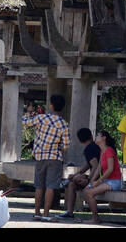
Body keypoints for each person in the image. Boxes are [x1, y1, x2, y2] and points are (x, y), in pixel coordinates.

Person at [23, 94, 70, 222]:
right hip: (55, 158)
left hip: (40, 156)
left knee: (39, 185)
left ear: (51, 106)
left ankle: (37, 213)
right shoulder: (63, 124)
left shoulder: (41, 118)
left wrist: (28, 113)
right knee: (51, 186)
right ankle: (46, 214)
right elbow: (65, 146)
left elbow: (25, 123)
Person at [82, 130, 124, 224]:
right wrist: (91, 181)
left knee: (90, 193)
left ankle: (96, 219)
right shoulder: (102, 151)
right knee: (85, 191)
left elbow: (110, 169)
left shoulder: (109, 150)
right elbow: (99, 168)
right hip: (107, 181)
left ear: (104, 138)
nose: (95, 137)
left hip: (114, 182)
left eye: (98, 135)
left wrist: (98, 182)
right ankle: (95, 217)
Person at [61, 128, 102, 221]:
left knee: (73, 181)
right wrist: (77, 174)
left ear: (79, 140)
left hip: (97, 177)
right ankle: (69, 212)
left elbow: (95, 165)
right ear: (91, 136)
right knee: (72, 184)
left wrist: (89, 180)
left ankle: (70, 212)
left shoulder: (89, 149)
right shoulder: (94, 146)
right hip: (97, 176)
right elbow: (89, 164)